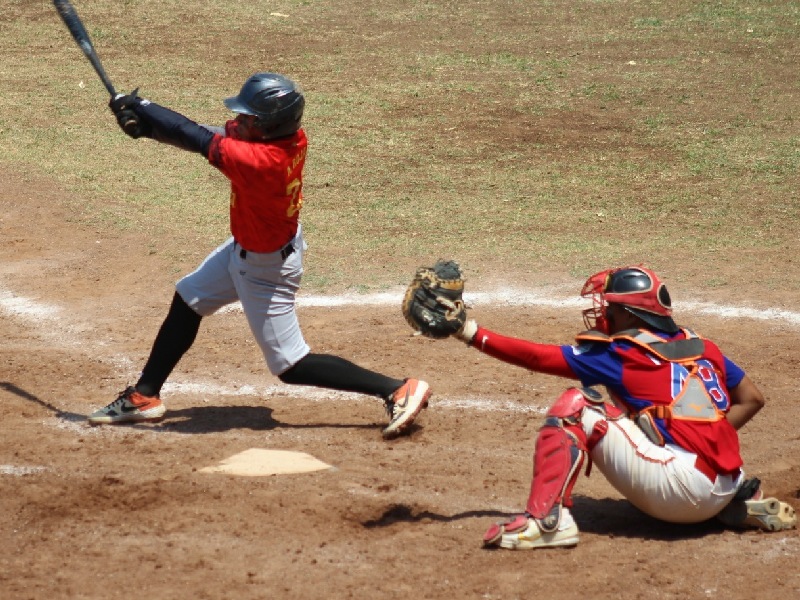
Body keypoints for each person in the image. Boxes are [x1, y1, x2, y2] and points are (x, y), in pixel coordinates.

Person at [88, 73, 431, 438]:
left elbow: (198, 137)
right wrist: (149, 128)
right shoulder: (288, 137)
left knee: (291, 365)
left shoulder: (262, 162)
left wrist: (140, 106)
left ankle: (396, 388)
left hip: (266, 269)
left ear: (267, 125)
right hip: (247, 248)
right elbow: (202, 133)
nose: (239, 121)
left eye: (248, 116)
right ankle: (145, 395)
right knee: (190, 296)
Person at [448, 265, 796, 549]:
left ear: (630, 314)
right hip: (726, 482)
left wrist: (469, 331)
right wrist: (703, 434)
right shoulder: (705, 348)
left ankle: (547, 523)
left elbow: (539, 357)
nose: (603, 313)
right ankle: (730, 504)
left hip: (680, 494)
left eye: (609, 307)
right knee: (667, 425)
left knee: (579, 405)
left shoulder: (622, 354)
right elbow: (753, 399)